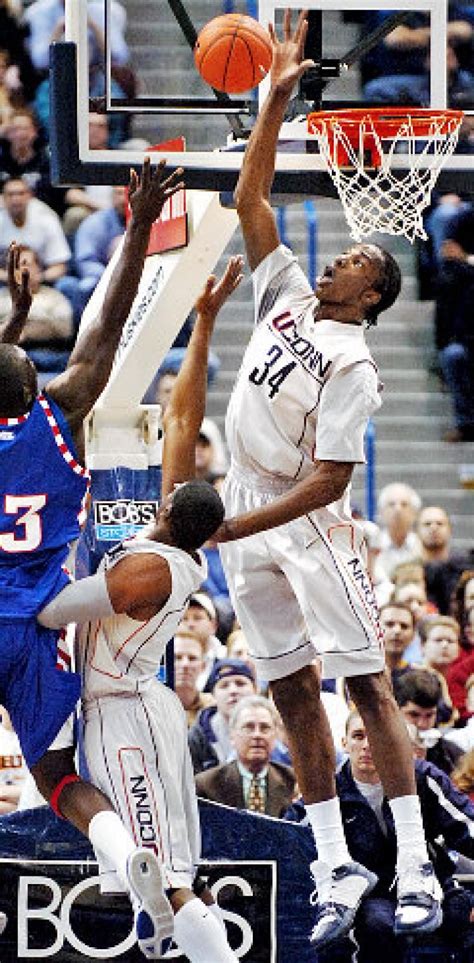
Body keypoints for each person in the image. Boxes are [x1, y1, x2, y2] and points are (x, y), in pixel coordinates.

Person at [215, 10, 442, 948]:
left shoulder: (353, 363)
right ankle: (331, 859)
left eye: (359, 259)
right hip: (243, 510)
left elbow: (328, 483)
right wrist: (272, 99)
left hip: (304, 525)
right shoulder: (286, 296)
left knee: (367, 689)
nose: (343, 252)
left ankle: (419, 860)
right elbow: (251, 201)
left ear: (373, 294)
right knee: (291, 692)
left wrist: (237, 525)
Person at [1, 158, 186, 955]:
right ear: (33, 386)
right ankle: (119, 852)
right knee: (54, 775)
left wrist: (10, 321)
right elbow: (104, 332)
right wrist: (139, 223)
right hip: (36, 628)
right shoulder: (60, 415)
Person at [39, 254, 244, 962]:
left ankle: (194, 941)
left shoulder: (149, 572)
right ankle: (161, 935)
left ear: (166, 506)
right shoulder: (178, 540)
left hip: (126, 712)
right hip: (137, 703)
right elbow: (184, 413)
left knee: (168, 877)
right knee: (165, 877)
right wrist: (205, 321)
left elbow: (58, 608)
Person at [286, 710, 474, 963]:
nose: (367, 745)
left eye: (375, 736)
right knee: (377, 924)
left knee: (465, 914)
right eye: (358, 736)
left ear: (392, 741)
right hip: (370, 894)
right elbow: (286, 836)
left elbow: (466, 828)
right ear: (345, 744)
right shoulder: (327, 792)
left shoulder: (423, 777)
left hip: (433, 885)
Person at [195, 694, 296, 817]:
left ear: (275, 735)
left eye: (265, 728)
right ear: (232, 736)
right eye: (248, 728)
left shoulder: (292, 781)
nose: (257, 735)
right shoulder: (206, 785)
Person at [188, 658, 257, 774]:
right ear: (213, 695)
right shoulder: (195, 739)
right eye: (224, 685)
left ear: (255, 690)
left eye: (240, 683)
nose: (233, 691)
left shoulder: (274, 731)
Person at [394, 669, 463, 776]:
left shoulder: (451, 755)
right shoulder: (379, 751)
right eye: (414, 715)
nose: (422, 724)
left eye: (429, 715)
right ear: (396, 711)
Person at [174, 629, 215, 727]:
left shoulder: (213, 708)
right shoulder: (151, 707)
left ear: (203, 666)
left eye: (192, 658)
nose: (185, 664)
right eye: (178, 657)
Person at [379, 602, 415, 685]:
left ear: (413, 635)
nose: (397, 631)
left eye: (404, 626)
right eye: (389, 624)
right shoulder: (358, 675)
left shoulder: (424, 679)